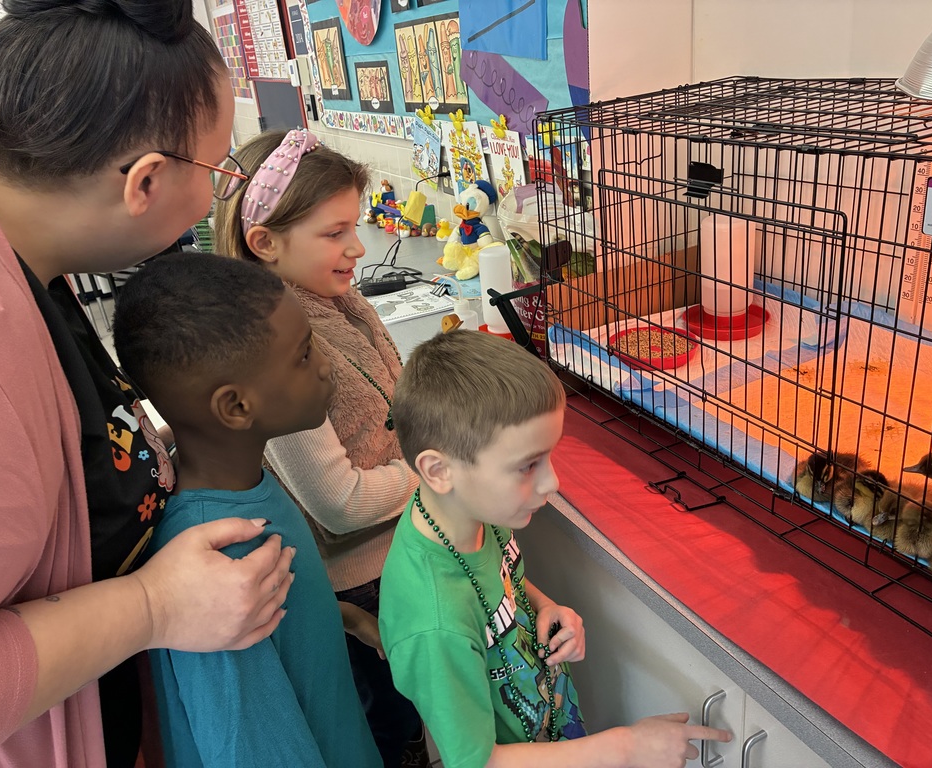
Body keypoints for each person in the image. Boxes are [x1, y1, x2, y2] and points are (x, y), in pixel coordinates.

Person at [0, 3, 294, 766]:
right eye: (219, 172)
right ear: (145, 181)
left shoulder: (20, 246)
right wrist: (152, 606)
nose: (216, 196)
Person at [379, 331, 734, 768]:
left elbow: (499, 579)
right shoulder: (434, 624)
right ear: (439, 471)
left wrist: (543, 605)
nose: (552, 482)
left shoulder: (467, 509)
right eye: (528, 465)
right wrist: (627, 747)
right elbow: (478, 762)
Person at [112, 252, 382, 768]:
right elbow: (245, 744)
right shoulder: (216, 557)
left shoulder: (242, 482)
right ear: (236, 407)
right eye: (304, 355)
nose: (325, 366)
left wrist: (341, 616)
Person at [213, 129, 425, 766]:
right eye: (335, 233)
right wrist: (443, 471)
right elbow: (339, 502)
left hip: (401, 549)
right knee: (393, 729)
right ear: (265, 242)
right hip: (360, 581)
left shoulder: (340, 302)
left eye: (354, 228)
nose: (357, 248)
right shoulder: (275, 348)